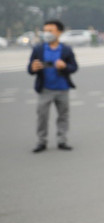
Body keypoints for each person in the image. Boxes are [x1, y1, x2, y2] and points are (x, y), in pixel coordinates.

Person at [27, 19, 78, 152]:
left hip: (62, 89)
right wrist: (33, 68)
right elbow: (30, 68)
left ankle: (62, 140)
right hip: (45, 89)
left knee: (63, 116)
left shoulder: (66, 50)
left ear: (59, 32)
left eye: (50, 31)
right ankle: (41, 141)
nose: (47, 33)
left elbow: (74, 67)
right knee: (42, 116)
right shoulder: (38, 49)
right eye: (45, 31)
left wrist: (65, 66)